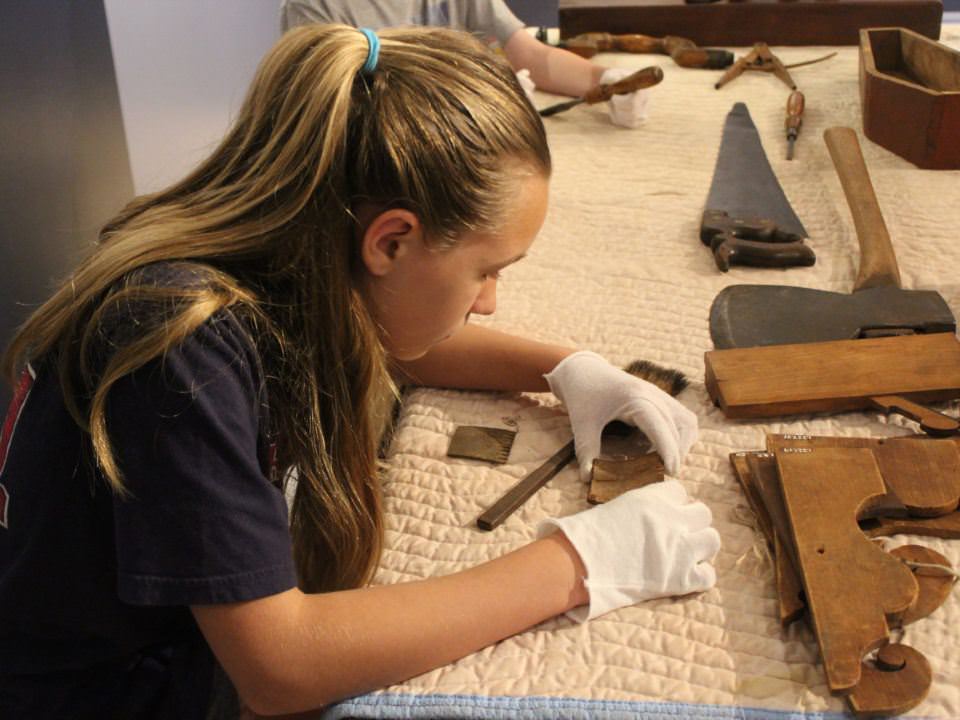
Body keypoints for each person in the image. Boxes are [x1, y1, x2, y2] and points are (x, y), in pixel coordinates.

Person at [0, 24, 718, 718]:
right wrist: (578, 562)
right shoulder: (182, 347)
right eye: (487, 272)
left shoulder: (285, 261)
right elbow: (281, 667)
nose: (491, 304)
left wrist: (565, 367)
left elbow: (397, 332)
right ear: (392, 241)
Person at [280, 0, 653, 128]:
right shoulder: (315, 8)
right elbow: (332, 118)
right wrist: (469, 100)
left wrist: (605, 79)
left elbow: (531, 56)